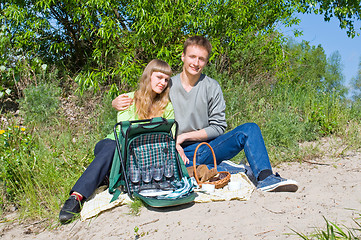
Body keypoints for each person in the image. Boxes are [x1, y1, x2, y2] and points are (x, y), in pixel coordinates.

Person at [112, 36, 298, 193]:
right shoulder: (168, 84)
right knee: (190, 172)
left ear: (206, 62)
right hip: (175, 153)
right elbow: (145, 98)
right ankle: (231, 169)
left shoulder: (212, 86)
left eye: (201, 59)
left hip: (207, 147)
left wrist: (184, 136)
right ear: (183, 57)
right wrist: (116, 102)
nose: (196, 62)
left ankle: (265, 178)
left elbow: (218, 126)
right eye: (192, 56)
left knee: (250, 129)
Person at [59, 59, 174, 224]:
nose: (163, 83)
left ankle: (107, 176)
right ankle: (76, 197)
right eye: (159, 77)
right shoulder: (127, 99)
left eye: (166, 79)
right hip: (114, 145)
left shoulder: (167, 107)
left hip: (143, 154)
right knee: (114, 147)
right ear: (148, 76)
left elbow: (170, 136)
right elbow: (125, 132)